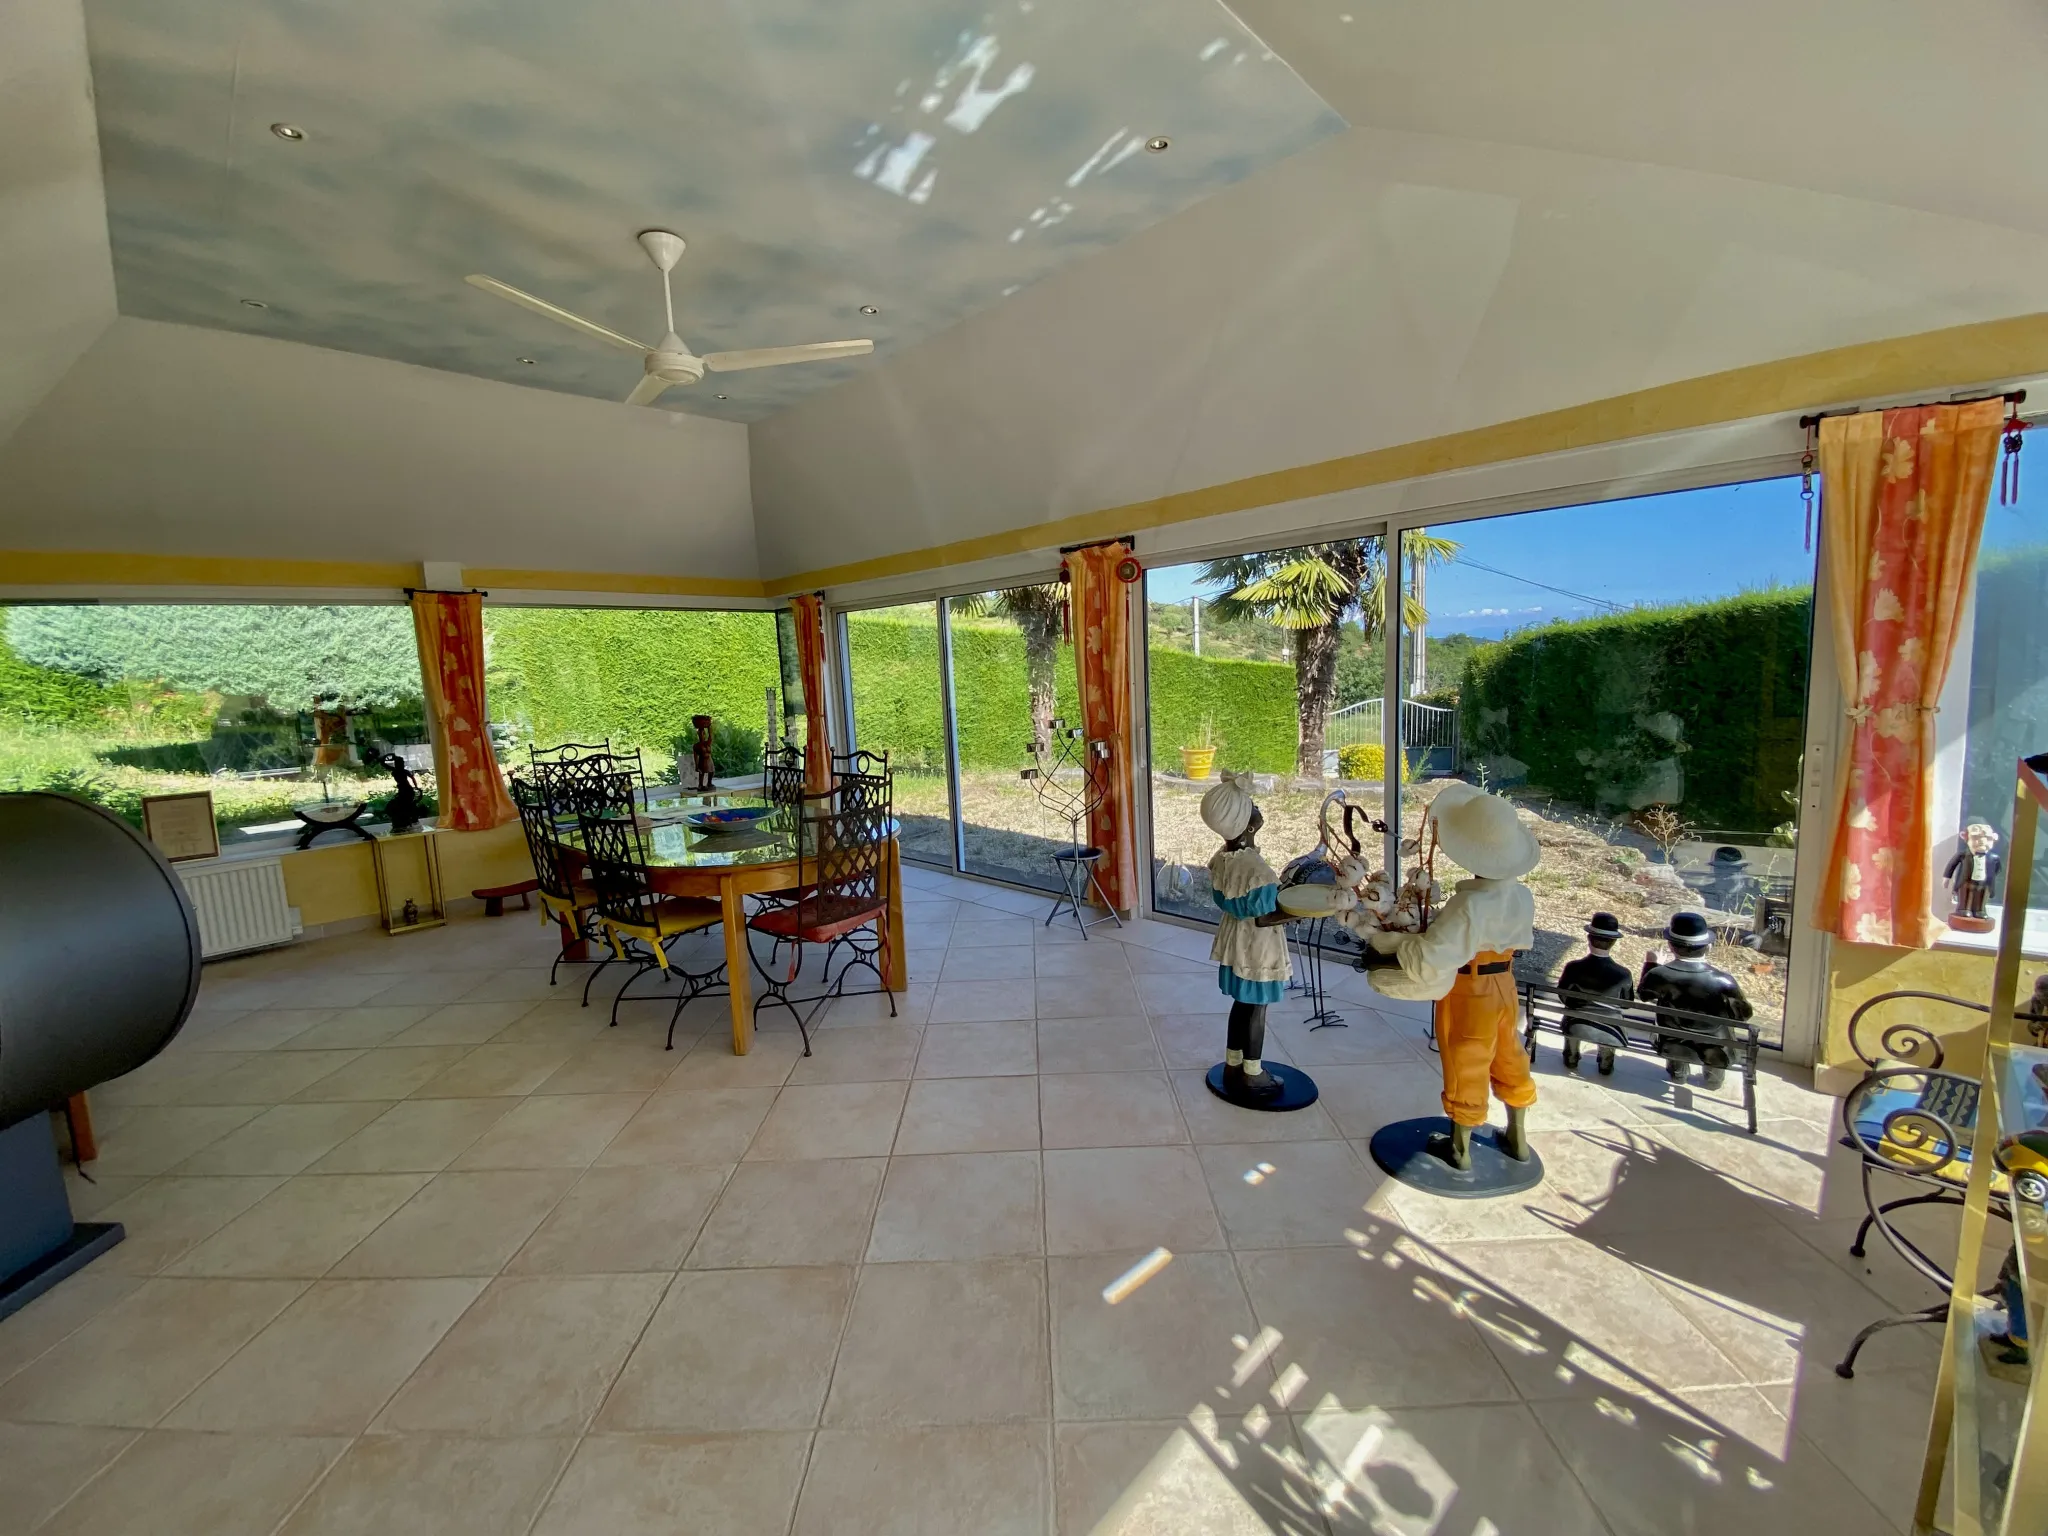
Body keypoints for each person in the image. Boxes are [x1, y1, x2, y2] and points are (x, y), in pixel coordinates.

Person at [1361, 783, 1540, 1169]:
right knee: (1510, 1053)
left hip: (1470, 988)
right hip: (1506, 984)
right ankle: (1518, 1136)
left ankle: (1459, 1149)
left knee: (1466, 1059)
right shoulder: (1522, 896)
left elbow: (1435, 952)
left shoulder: (1470, 903)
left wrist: (1392, 944)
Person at [1201, 770, 1312, 1105]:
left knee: (1241, 1004)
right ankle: (1252, 1071)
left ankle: (1234, 1064)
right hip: (1257, 950)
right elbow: (1264, 917)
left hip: (1235, 941)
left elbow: (1232, 901)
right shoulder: (1256, 870)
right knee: (1257, 1009)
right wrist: (1303, 909)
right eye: (1253, 807)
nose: (1258, 809)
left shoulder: (1222, 858)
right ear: (1248, 826)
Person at [1637, 910, 1751, 1090]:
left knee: (1671, 1031)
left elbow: (1644, 995)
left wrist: (1651, 964)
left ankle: (1678, 1073)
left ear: (1671, 946)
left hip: (1672, 1043)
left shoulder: (1659, 974)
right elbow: (1743, 1016)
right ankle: (1713, 1079)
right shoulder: (1724, 981)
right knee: (1721, 1033)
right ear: (1709, 947)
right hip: (1716, 1046)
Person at [1556, 912, 1632, 1076]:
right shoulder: (1623, 974)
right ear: (1613, 943)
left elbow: (1562, 995)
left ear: (1589, 939)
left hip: (1576, 1025)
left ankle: (1571, 1056)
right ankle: (1606, 1063)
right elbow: (1626, 1004)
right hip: (1611, 1029)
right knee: (1613, 1019)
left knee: (1572, 1015)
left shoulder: (1573, 967)